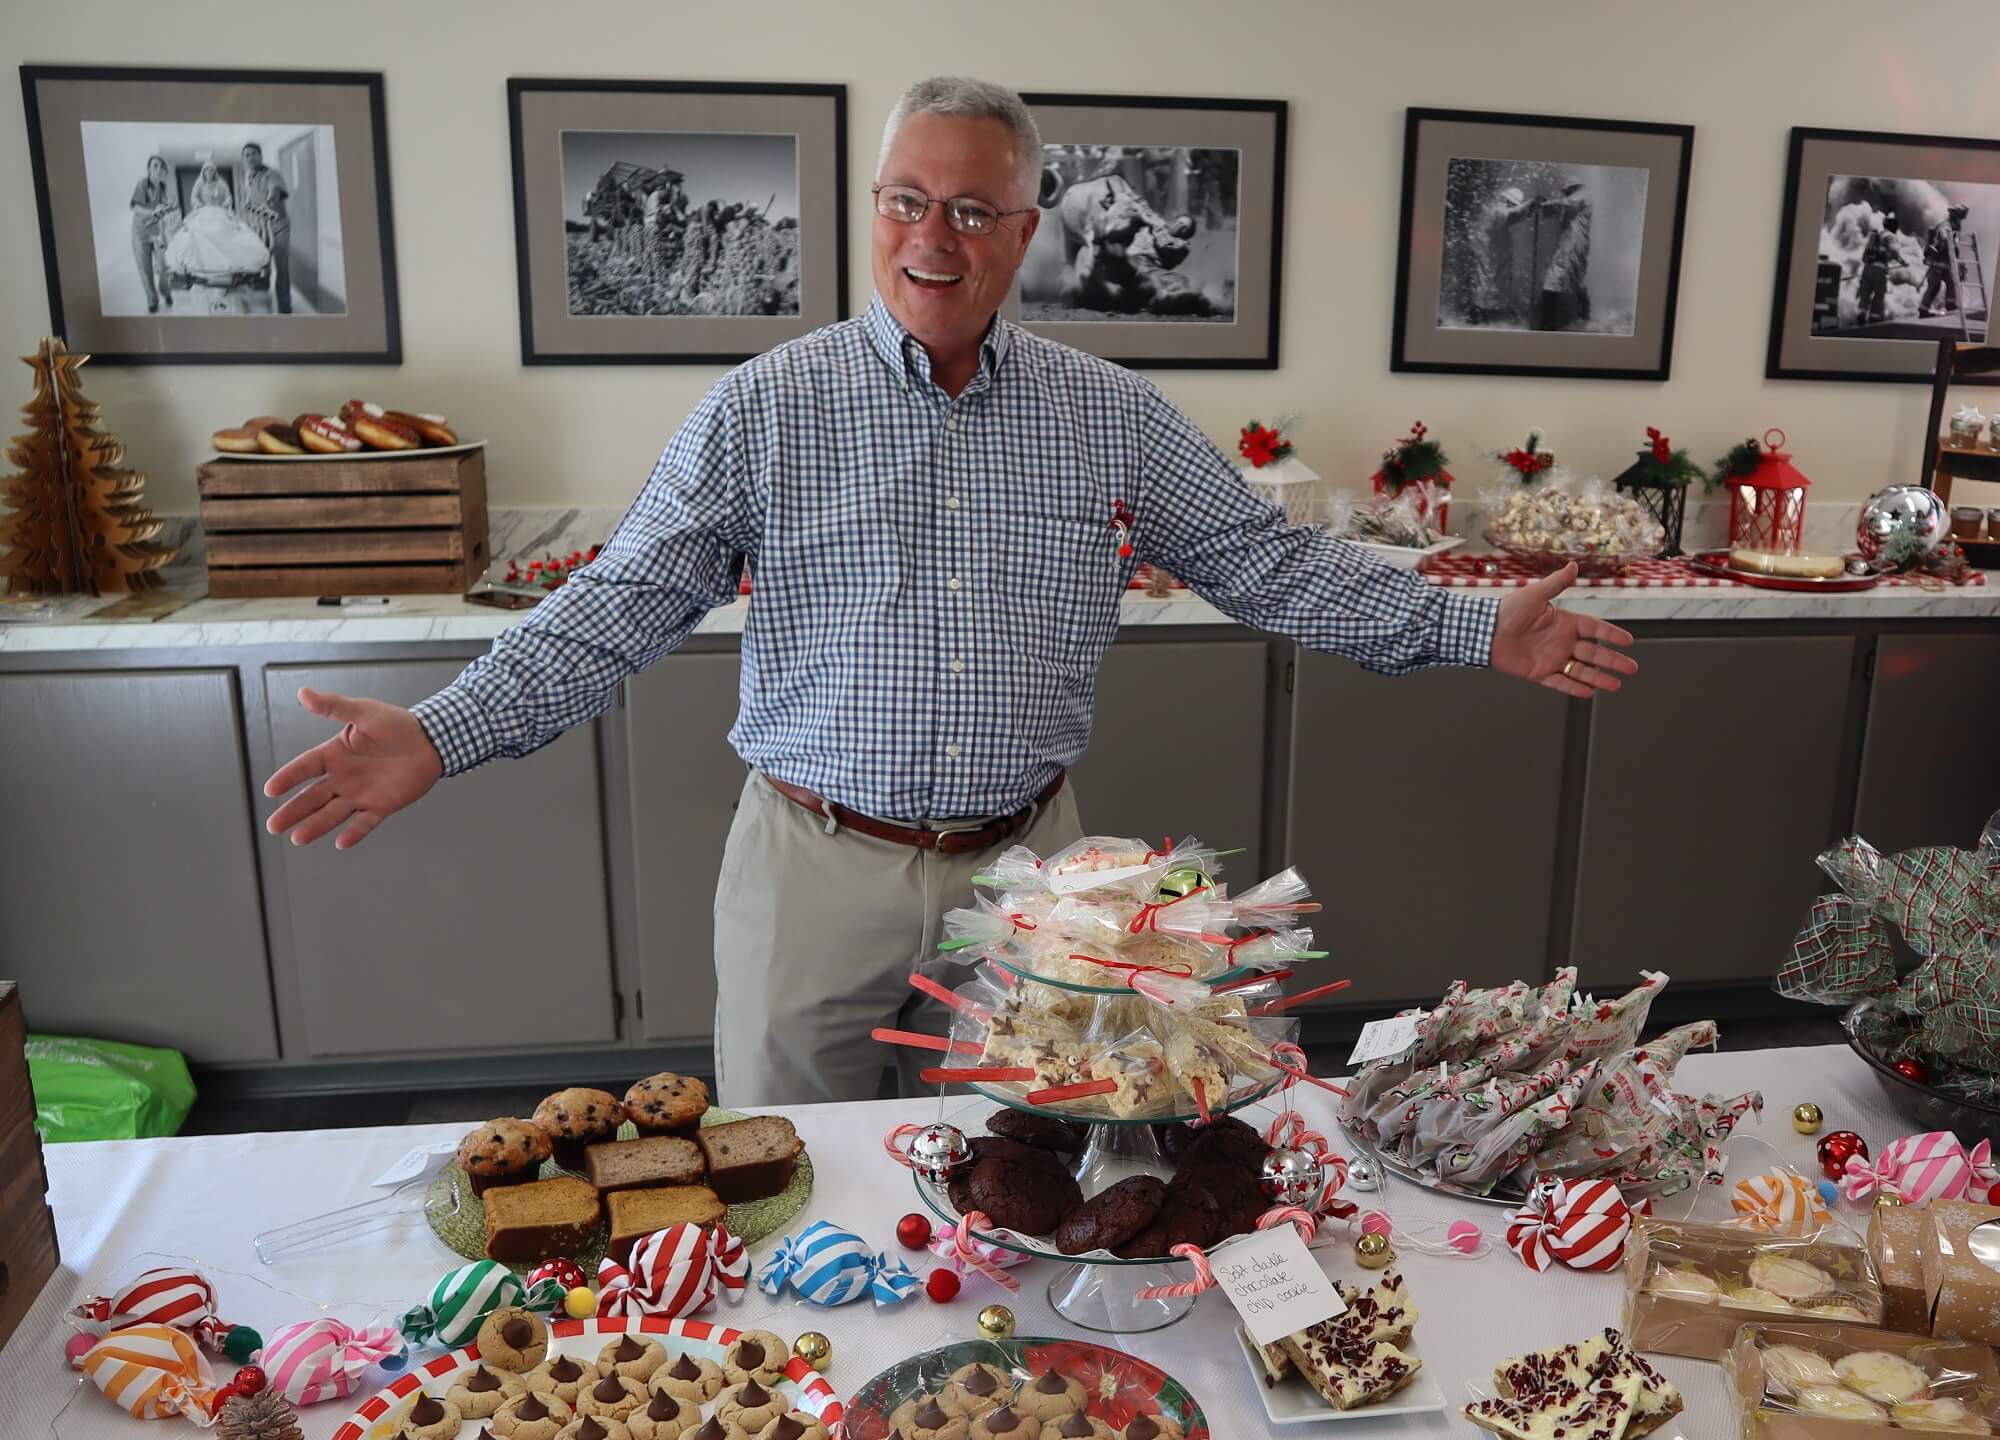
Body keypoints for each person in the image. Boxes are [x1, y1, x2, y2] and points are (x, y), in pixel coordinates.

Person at [261, 77, 1638, 1108]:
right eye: (910, 201)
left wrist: (1469, 623)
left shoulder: (1109, 414)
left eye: (974, 209)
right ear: (876, 213)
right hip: (812, 867)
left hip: (1034, 880)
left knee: (1012, 1175)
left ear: (1026, 230)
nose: (937, 235)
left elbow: (1267, 562)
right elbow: (617, 608)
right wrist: (441, 730)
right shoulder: (764, 410)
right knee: (790, 1187)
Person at [165, 158, 270, 278]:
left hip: (219, 211)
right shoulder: (199, 184)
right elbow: (194, 197)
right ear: (203, 172)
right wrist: (199, 204)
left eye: (211, 171)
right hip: (204, 211)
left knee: (222, 228)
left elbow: (228, 196)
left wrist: (226, 203)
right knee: (196, 231)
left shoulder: (221, 184)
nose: (209, 173)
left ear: (214, 172)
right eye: (206, 171)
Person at [239, 142, 292, 314]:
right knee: (263, 263)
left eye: (254, 153)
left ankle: (285, 307)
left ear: (260, 156)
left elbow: (275, 189)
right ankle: (265, 302)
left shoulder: (271, 173)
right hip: (260, 227)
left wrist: (271, 198)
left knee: (282, 268)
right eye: (246, 155)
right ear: (243, 159)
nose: (250, 157)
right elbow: (249, 200)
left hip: (278, 226)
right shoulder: (249, 177)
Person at [1533, 180, 1592, 331]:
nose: (1564, 193)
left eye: (1566, 190)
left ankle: (1547, 323)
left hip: (1571, 246)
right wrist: (1539, 206)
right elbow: (1555, 209)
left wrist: (1542, 204)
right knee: (1577, 279)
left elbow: (1563, 204)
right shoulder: (1575, 200)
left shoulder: (1581, 197)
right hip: (1575, 245)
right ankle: (1584, 315)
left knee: (1553, 279)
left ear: (1573, 188)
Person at [1468, 185, 1529, 324]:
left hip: (1485, 250)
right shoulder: (1498, 209)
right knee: (1484, 281)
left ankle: (1483, 312)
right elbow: (1511, 214)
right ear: (1509, 201)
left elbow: (1515, 216)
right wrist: (1530, 204)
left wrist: (1529, 209)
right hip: (1484, 251)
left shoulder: (1495, 208)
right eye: (1512, 203)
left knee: (1489, 281)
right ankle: (1477, 314)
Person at [128, 154, 178, 314]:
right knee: (146, 269)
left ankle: (166, 292)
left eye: (161, 166)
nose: (158, 169)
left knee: (163, 266)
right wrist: (153, 211)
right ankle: (152, 299)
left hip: (156, 232)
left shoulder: (162, 188)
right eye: (155, 166)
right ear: (149, 169)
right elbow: (135, 207)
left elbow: (161, 211)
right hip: (140, 233)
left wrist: (167, 209)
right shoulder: (143, 184)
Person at [1858, 213, 1898, 326]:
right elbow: (1894, 252)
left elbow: (1864, 256)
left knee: (1865, 294)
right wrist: (1902, 262)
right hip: (1879, 271)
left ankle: (1861, 313)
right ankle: (1874, 318)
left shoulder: (1875, 236)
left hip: (1867, 269)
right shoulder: (1890, 236)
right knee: (1879, 294)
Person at [1919, 217, 1959, 319]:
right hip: (1937, 265)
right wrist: (1951, 244)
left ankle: (1950, 304)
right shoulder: (1945, 227)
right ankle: (1923, 309)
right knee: (1934, 287)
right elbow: (1945, 240)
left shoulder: (1946, 228)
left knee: (1951, 282)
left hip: (1943, 265)